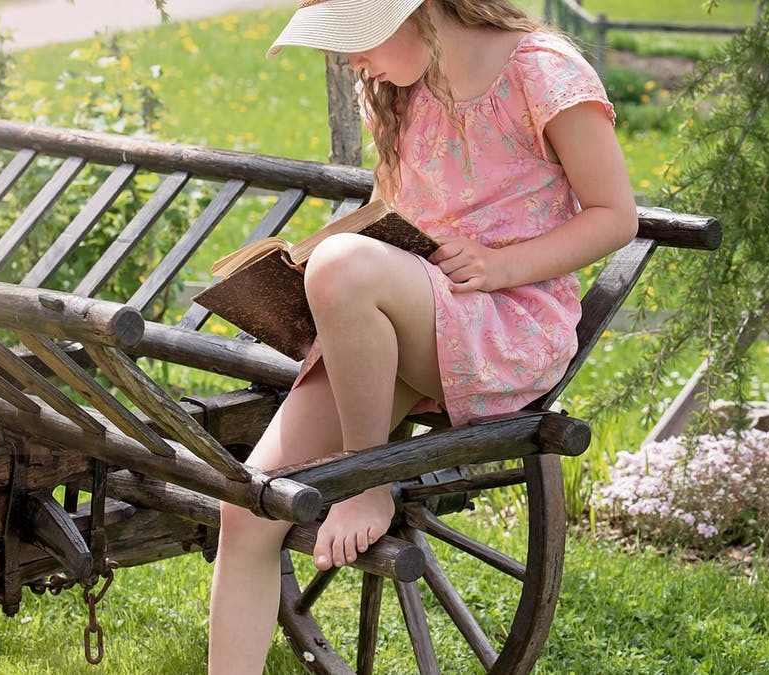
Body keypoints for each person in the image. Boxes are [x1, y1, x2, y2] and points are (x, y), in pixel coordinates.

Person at [208, 0, 638, 671]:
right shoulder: (395, 84)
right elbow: (407, 210)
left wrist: (502, 264)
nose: (351, 59)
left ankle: (368, 479)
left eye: (355, 38)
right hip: (406, 322)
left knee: (344, 267)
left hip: (506, 320)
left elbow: (615, 215)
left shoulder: (541, 72)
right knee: (247, 505)